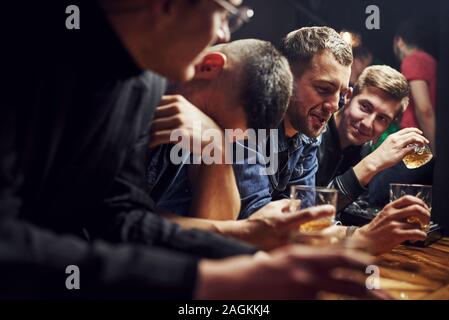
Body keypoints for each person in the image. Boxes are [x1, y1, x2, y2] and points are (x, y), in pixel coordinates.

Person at [0, 0, 384, 299]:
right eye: (225, 14)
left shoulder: (144, 81)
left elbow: (119, 216)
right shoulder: (25, 38)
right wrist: (209, 280)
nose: (222, 34)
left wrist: (251, 261)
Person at [147, 39, 293, 220]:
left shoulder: (220, 131)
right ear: (208, 68)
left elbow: (216, 221)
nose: (205, 129)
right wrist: (243, 231)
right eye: (209, 120)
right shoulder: (130, 86)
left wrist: (219, 149)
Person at [316, 65, 428, 210]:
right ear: (348, 97)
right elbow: (308, 210)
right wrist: (371, 164)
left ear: (389, 125)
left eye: (382, 118)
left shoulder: (365, 147)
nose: (367, 124)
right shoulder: (313, 132)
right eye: (365, 107)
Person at [393, 19, 438, 154]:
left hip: (417, 144)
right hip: (423, 140)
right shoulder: (430, 60)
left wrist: (435, 153)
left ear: (399, 41)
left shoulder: (413, 60)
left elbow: (424, 109)